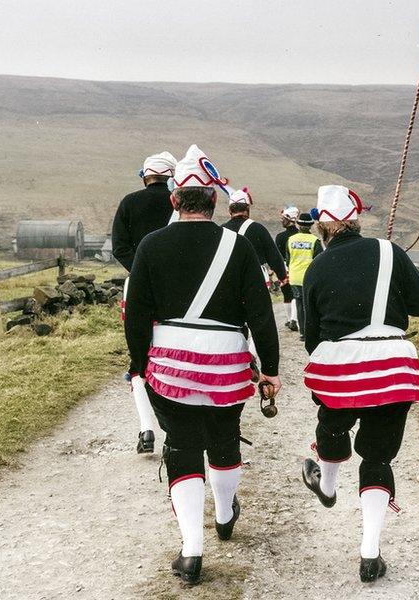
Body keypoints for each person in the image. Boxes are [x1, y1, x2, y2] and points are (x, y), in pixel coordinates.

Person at [124, 150, 280, 585]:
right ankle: (226, 513)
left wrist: (139, 363)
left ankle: (192, 549)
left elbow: (136, 315)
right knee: (224, 439)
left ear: (175, 201)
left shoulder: (151, 245)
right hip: (227, 364)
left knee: (183, 446)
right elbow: (262, 316)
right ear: (213, 200)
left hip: (170, 365)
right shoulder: (240, 246)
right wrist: (270, 369)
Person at [298, 185, 419, 583]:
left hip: (342, 365)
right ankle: (370, 553)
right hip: (394, 364)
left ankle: (326, 483)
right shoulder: (391, 252)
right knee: (377, 457)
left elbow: (311, 340)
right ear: (355, 220)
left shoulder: (317, 268)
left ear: (323, 227)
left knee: (333, 423)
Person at [111, 151, 177, 454]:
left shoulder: (128, 202)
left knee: (139, 354)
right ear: (171, 176)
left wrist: (139, 271)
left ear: (145, 175)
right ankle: (172, 428)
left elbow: (119, 247)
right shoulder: (179, 202)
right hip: (175, 288)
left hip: (135, 286)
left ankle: (146, 428)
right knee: (172, 350)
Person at [221, 187, 288, 288]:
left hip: (228, 279)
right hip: (254, 279)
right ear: (247, 208)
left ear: (230, 210)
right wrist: (282, 276)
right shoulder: (258, 228)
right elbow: (273, 255)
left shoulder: (222, 230)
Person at [286, 211, 322, 340]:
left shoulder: (291, 240)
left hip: (295, 277)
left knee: (300, 305)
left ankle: (302, 333)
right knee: (311, 306)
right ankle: (311, 331)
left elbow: (288, 259)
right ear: (310, 226)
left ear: (299, 225)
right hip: (309, 278)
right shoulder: (315, 241)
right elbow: (319, 261)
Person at [275, 206, 301, 331]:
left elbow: (277, 255)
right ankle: (294, 319)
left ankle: (289, 319)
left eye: (283, 218)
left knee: (287, 294)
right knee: (296, 294)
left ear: (289, 219)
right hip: (299, 267)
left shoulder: (280, 237)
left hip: (284, 267)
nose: (282, 221)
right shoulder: (301, 235)